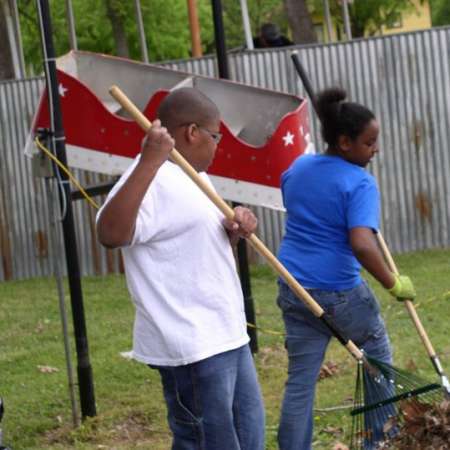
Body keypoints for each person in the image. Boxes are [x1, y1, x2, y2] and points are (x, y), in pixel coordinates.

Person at [96, 87, 265, 450]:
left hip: (227, 332)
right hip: (191, 345)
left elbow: (192, 244)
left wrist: (233, 230)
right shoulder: (148, 178)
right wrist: (148, 161)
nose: (218, 145)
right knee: (206, 442)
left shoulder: (196, 176)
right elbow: (110, 233)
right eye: (216, 135)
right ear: (192, 133)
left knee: (248, 437)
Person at [275, 87, 416, 450]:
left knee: (300, 382)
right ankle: (378, 441)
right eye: (370, 143)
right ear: (344, 142)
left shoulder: (299, 166)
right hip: (337, 291)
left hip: (294, 287)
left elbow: (293, 198)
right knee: (376, 352)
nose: (376, 150)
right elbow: (362, 244)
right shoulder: (359, 183)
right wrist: (393, 282)